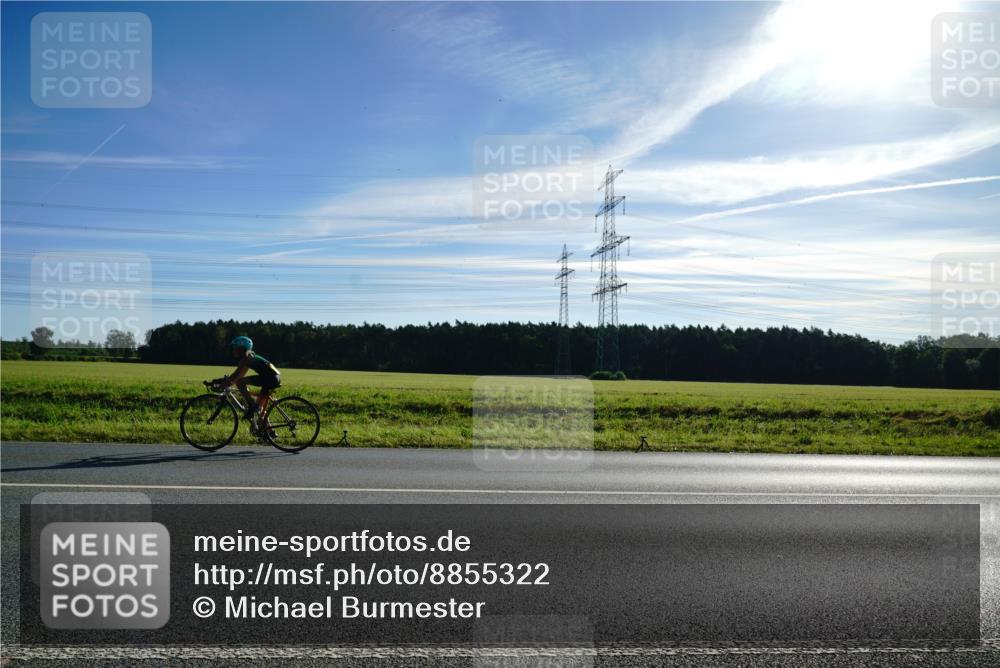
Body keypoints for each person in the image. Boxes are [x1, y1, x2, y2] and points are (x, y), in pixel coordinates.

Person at [223, 336, 281, 420]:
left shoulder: (247, 358)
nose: (233, 350)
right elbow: (239, 375)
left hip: (270, 378)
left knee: (240, 382)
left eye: (235, 348)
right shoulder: (249, 357)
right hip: (272, 378)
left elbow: (236, 375)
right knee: (259, 411)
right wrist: (228, 383)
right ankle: (269, 432)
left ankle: (252, 404)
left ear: (242, 349)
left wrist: (223, 382)